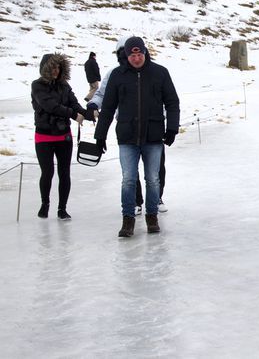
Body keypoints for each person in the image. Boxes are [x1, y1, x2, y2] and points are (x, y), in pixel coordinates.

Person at [94, 37, 180, 237]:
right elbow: (107, 108)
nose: (136, 58)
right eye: (132, 55)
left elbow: (172, 102)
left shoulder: (160, 73)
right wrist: (100, 136)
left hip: (153, 136)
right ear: (126, 55)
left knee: (152, 179)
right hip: (127, 136)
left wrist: (172, 128)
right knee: (128, 179)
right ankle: (128, 220)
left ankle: (152, 217)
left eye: (139, 54)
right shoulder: (117, 75)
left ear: (145, 53)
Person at [31, 53, 90, 220]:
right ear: (46, 69)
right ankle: (45, 204)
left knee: (64, 173)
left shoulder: (64, 85)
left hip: (64, 136)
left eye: (58, 67)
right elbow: (50, 106)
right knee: (47, 172)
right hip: (44, 135)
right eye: (53, 67)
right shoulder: (37, 86)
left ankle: (62, 208)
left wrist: (86, 113)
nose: (56, 71)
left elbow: (74, 103)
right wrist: (73, 114)